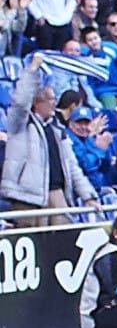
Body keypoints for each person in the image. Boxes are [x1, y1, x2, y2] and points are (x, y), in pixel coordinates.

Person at [0, 56, 98, 225]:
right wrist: (33, 69)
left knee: (62, 243)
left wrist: (88, 196)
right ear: (37, 102)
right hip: (27, 197)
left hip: (57, 194)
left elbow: (72, 166)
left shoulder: (58, 129)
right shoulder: (20, 124)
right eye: (51, 99)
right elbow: (20, 101)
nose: (55, 103)